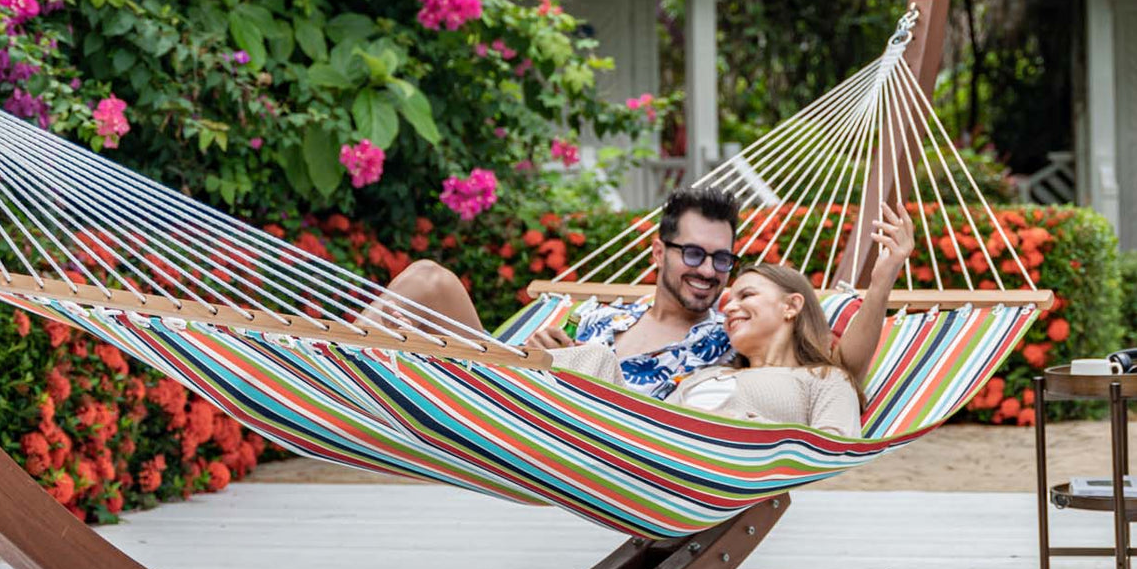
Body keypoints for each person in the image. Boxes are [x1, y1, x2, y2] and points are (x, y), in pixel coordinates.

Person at [553, 205, 916, 439]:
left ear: (791, 306)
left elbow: (831, 447)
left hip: (717, 463)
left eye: (747, 296)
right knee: (595, 358)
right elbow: (655, 420)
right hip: (644, 446)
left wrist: (881, 281)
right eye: (730, 300)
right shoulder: (710, 370)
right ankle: (504, 374)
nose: (728, 308)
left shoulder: (822, 380)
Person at [367, 185, 743, 396]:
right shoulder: (602, 317)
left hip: (584, 441)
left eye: (722, 259)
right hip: (514, 400)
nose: (709, 271)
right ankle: (332, 372)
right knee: (428, 280)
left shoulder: (726, 339)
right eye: (694, 254)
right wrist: (539, 355)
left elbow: (798, 330)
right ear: (659, 252)